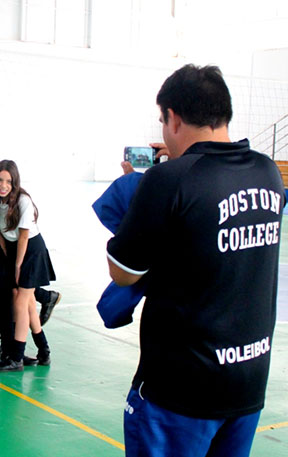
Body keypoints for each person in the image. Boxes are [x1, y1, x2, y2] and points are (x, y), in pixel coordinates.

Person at [106, 64, 284, 456]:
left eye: (161, 120)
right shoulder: (268, 173)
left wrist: (141, 190)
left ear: (174, 117)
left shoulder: (168, 181)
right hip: (248, 381)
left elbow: (122, 272)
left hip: (181, 388)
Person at [0, 160, 55, 372]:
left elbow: (24, 236)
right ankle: (44, 350)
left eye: (8, 181)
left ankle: (16, 358)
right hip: (14, 249)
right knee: (28, 301)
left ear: (15, 183)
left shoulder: (23, 200)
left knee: (21, 300)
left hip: (31, 250)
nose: (3, 185)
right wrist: (5, 250)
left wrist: (17, 266)